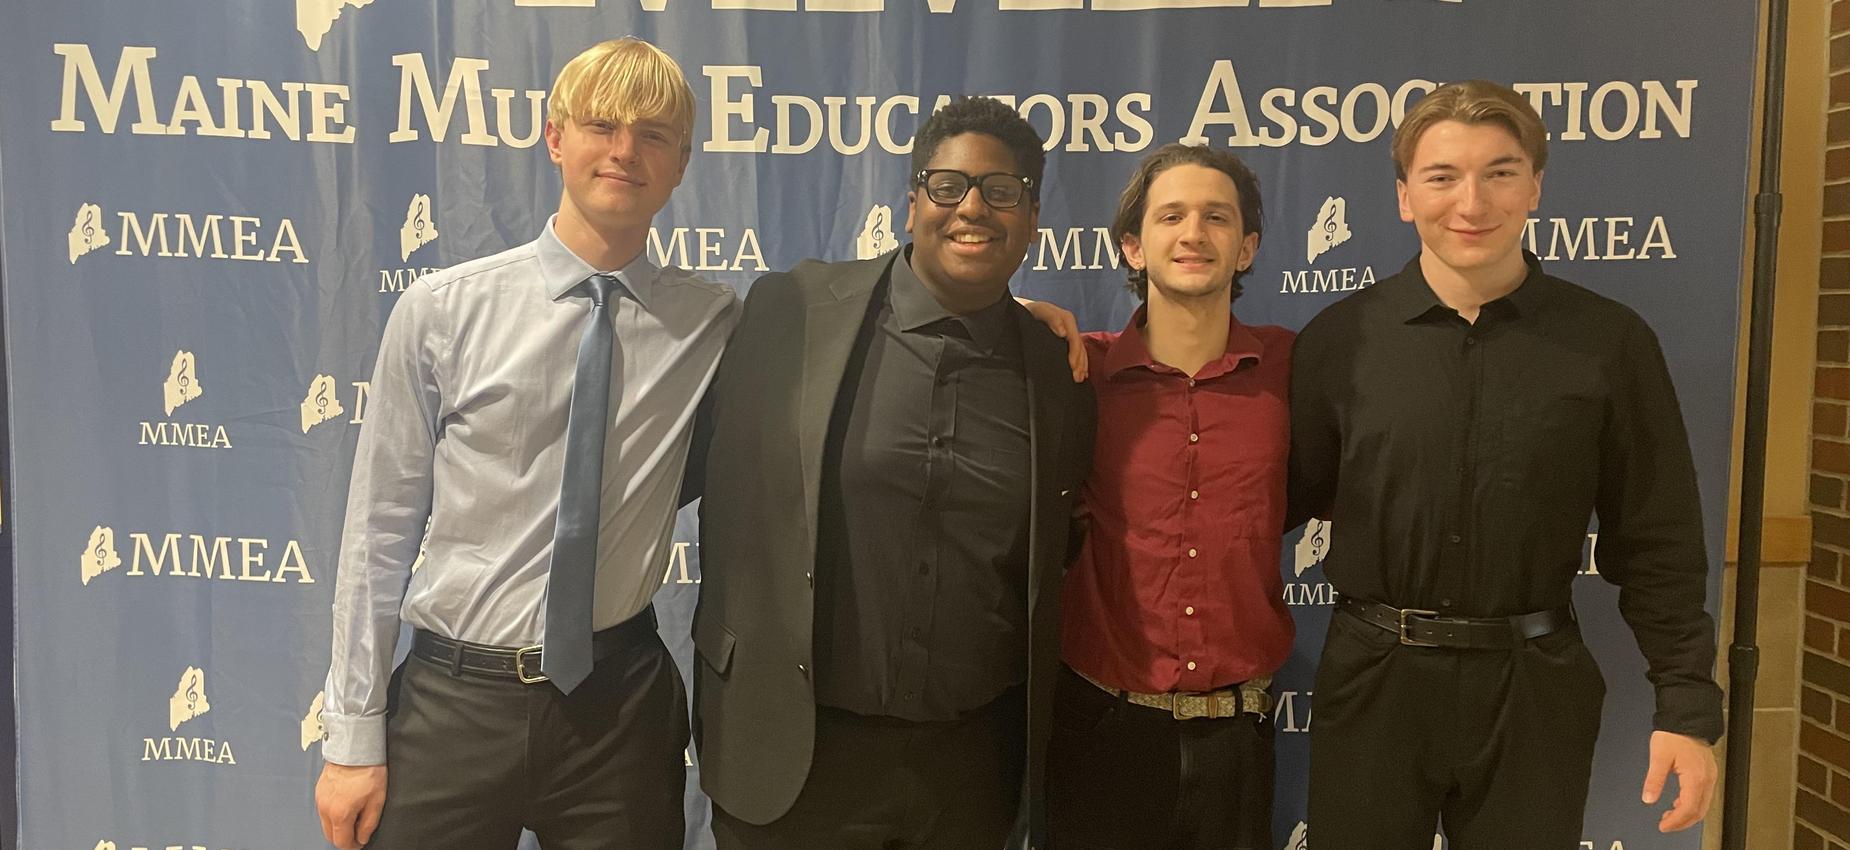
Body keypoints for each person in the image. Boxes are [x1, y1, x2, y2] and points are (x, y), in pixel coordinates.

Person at [313, 37, 732, 850]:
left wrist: (1018, 322)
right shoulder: (442, 311)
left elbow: (852, 329)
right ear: (555, 138)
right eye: (602, 125)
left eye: (653, 134)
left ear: (682, 162)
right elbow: (377, 533)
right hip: (451, 706)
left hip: (620, 708)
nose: (624, 150)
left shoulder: (715, 324)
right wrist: (352, 736)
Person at [1288, 79, 1721, 848]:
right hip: (1374, 681)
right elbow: (1276, 498)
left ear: (1536, 188)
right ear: (1403, 197)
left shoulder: (1610, 343)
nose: (1472, 202)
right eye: (1442, 176)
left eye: (1500, 171)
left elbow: (1659, 538)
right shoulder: (1337, 340)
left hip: (1535, 687)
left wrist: (1686, 707)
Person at [691, 96, 1096, 850]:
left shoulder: (1057, 372)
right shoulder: (790, 311)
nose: (971, 207)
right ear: (912, 205)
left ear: (1033, 219)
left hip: (969, 774)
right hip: (793, 757)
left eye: (1001, 191)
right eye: (947, 186)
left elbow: (1061, 551)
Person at [1048, 143, 1291, 850]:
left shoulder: (1294, 368)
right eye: (1171, 216)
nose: (1193, 234)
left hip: (1238, 739)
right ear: (1133, 246)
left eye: (1217, 218)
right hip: (1100, 732)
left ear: (1245, 249)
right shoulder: (1071, 369)